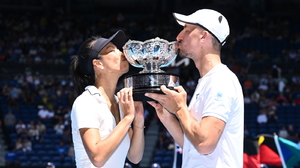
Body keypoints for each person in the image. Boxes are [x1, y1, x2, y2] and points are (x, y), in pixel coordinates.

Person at [145, 9, 244, 167]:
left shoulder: (221, 80)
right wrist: (167, 117)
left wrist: (180, 109)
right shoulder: (208, 80)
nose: (179, 36)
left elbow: (205, 144)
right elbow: (192, 145)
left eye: (187, 30)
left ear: (203, 36)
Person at [70, 30, 145, 168]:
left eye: (117, 48)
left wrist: (138, 121)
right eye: (112, 50)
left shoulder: (119, 102)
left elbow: (134, 157)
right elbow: (97, 158)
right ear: (98, 64)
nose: (121, 52)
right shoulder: (86, 102)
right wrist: (127, 118)